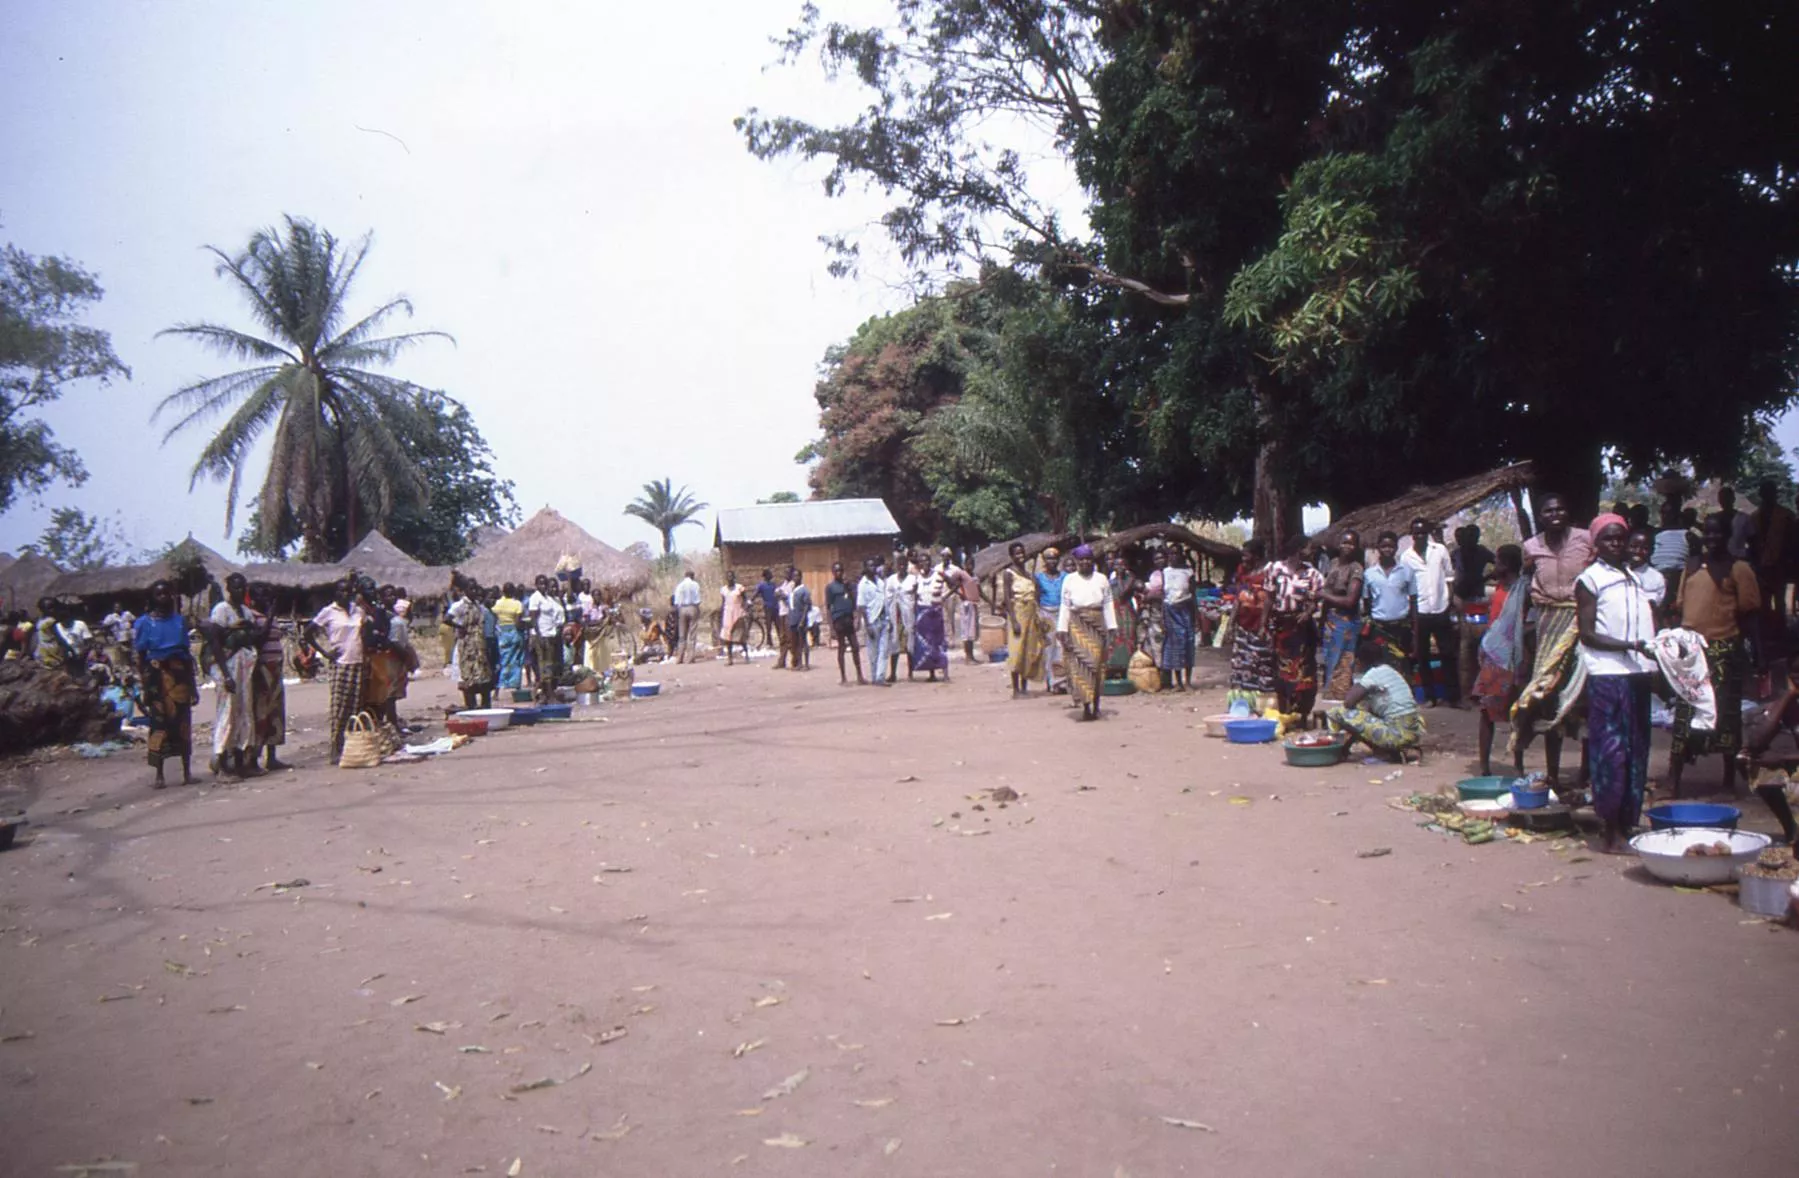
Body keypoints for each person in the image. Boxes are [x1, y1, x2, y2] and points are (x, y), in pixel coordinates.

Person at [1576, 516, 1659, 853]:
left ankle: (1628, 821)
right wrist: (1629, 646)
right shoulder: (1590, 579)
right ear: (1597, 543)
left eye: (1620, 539)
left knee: (1637, 749)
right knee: (1611, 753)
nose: (1616, 544)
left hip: (1637, 673)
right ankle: (1609, 830)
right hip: (1608, 674)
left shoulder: (1634, 579)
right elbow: (1588, 633)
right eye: (1608, 539)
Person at [1669, 513, 1761, 797]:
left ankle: (1728, 781)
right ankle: (1674, 780)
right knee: (1684, 714)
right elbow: (1681, 605)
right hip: (1690, 652)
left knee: (1725, 715)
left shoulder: (1739, 568)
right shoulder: (1693, 565)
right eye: (1707, 533)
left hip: (1723, 649)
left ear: (1727, 535)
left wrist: (1759, 655)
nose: (1712, 538)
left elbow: (1751, 614)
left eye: (1717, 533)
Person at [1512, 494, 1594, 785]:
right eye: (1549, 511)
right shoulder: (1532, 547)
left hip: (1581, 623)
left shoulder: (1586, 539)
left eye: (1560, 509)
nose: (1555, 514)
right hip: (1547, 627)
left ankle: (1586, 773)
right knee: (1547, 696)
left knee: (1583, 697)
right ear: (1541, 516)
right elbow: (1523, 587)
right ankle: (1553, 774)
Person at [132, 581, 196, 788]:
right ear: (152, 598)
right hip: (156, 677)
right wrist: (144, 685)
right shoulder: (143, 623)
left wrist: (193, 686)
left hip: (180, 677)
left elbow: (187, 656)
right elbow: (141, 657)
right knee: (159, 723)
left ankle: (187, 772)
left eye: (167, 593)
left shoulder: (180, 622)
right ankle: (159, 775)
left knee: (183, 723)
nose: (164, 598)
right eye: (159, 594)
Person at [306, 579, 370, 764]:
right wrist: (325, 653)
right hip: (341, 664)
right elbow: (308, 633)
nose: (345, 594)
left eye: (349, 591)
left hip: (358, 662)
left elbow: (363, 633)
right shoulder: (328, 612)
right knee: (339, 708)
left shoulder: (358, 611)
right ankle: (335, 747)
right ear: (336, 593)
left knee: (356, 707)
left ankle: (352, 747)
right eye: (342, 591)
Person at [206, 573, 263, 777]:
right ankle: (221, 762)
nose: (240, 591)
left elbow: (253, 637)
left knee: (244, 712)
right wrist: (226, 674)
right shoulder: (221, 610)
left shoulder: (246, 612)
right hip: (228, 667)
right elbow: (215, 641)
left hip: (245, 667)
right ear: (229, 589)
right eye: (236, 588)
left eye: (243, 588)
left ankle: (240, 760)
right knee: (227, 712)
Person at [1326, 646, 1426, 759]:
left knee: (1335, 713)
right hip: (1413, 732)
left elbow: (1348, 702)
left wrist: (1357, 677)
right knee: (1363, 711)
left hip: (1396, 734)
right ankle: (1400, 749)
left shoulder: (1373, 674)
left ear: (1359, 661)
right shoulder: (1391, 671)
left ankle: (1334, 752)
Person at [1056, 545, 1119, 721]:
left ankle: (1097, 705)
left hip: (1097, 624)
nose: (1085, 562)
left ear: (1093, 561)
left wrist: (1112, 627)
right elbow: (1065, 605)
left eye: (1088, 559)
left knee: (1097, 666)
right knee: (1082, 666)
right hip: (1077, 625)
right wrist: (1061, 630)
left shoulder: (1102, 579)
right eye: (1081, 559)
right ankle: (1086, 707)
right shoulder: (1069, 580)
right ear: (1076, 562)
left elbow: (1107, 603)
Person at [1402, 517, 1458, 705]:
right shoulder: (1406, 557)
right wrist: (1412, 614)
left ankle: (1453, 697)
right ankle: (1429, 696)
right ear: (1412, 535)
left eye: (1423, 533)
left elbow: (1449, 577)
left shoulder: (1440, 550)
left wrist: (1449, 601)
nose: (1419, 536)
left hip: (1441, 608)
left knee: (1448, 653)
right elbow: (1407, 586)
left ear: (1428, 534)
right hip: (1421, 612)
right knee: (1422, 655)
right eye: (1416, 533)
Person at [1267, 535, 1325, 718]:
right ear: (1299, 550)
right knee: (1281, 670)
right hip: (1281, 627)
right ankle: (1285, 711)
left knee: (1304, 671)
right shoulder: (1275, 569)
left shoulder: (1313, 574)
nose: (1312, 551)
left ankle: (1301, 713)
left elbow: (1317, 600)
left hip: (1302, 629)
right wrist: (1263, 625)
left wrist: (1308, 613)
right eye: (1309, 548)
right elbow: (1269, 598)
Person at [1359, 532, 1416, 682]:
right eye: (1384, 546)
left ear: (1396, 548)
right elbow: (1367, 602)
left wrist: (1414, 627)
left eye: (1391, 546)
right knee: (1380, 665)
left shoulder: (1406, 571)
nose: (1387, 549)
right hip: (1379, 628)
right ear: (1378, 547)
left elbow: (1413, 600)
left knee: (1402, 664)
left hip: (1401, 627)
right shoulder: (1369, 574)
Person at [1452, 524, 1497, 702]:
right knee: (1464, 650)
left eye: (1473, 536)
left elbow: (1499, 564)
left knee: (1482, 649)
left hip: (1478, 601)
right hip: (1461, 601)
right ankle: (1466, 693)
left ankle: (1483, 690)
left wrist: (1485, 578)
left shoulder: (1482, 552)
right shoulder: (1456, 554)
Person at [1318, 531, 1364, 701]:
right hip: (1330, 621)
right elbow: (1326, 592)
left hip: (1346, 623)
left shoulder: (1356, 568)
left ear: (1356, 547)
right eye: (1344, 543)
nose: (1347, 547)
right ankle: (1329, 701)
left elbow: (1350, 601)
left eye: (1351, 543)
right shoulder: (1333, 563)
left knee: (1342, 663)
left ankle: (1340, 702)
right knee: (1329, 660)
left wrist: (1323, 595)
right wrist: (1322, 621)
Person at [1228, 539, 1276, 698]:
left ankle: (1264, 700)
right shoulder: (1242, 572)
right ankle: (1245, 700)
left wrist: (1263, 625)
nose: (1243, 559)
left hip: (1261, 626)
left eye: (1246, 555)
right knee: (1242, 664)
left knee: (1261, 663)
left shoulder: (1268, 573)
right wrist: (1231, 623)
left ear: (1256, 556)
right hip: (1243, 625)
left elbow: (1270, 599)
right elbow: (1238, 598)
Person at [247, 581, 287, 771]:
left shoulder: (269, 616)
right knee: (261, 712)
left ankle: (272, 757)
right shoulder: (252, 617)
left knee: (275, 711)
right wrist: (270, 616)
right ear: (254, 599)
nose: (267, 601)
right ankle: (254, 758)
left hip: (275, 668)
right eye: (263, 597)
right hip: (261, 669)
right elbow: (259, 638)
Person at [999, 542, 1045, 696]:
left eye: (1022, 553)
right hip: (1017, 614)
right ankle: (1015, 689)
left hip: (1031, 615)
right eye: (1017, 553)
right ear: (1011, 556)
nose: (1020, 556)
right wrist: (1013, 620)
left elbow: (1036, 595)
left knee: (1028, 650)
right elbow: (1007, 597)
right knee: (1016, 651)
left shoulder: (1029, 575)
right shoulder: (1008, 573)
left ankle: (1024, 687)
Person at [1751, 479, 1794, 620]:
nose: (1768, 496)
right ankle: (1767, 632)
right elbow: (1752, 542)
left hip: (1780, 564)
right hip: (1761, 564)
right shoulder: (1754, 517)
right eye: (1765, 493)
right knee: (1764, 600)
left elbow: (1792, 541)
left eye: (1770, 493)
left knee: (1780, 600)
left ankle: (1780, 631)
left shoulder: (1786, 515)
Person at [1158, 548, 1198, 690]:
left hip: (1186, 610)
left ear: (1181, 555)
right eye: (1171, 554)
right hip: (1170, 611)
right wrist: (1162, 618)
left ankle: (1188, 681)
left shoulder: (1189, 572)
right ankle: (1178, 682)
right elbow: (1164, 595)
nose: (1173, 557)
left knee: (1188, 644)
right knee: (1175, 646)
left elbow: (1193, 595)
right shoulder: (1165, 572)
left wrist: (1196, 617)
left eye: (1176, 553)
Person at [913, 554, 952, 682]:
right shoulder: (917, 578)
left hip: (935, 612)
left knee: (939, 642)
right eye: (921, 561)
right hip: (922, 613)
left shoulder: (938, 574)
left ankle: (945, 673)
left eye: (927, 561)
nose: (924, 563)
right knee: (927, 645)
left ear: (930, 562)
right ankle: (932, 674)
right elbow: (915, 597)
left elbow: (954, 584)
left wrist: (943, 598)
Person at [824, 562, 865, 685]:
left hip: (849, 619)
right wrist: (831, 628)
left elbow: (854, 601)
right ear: (833, 573)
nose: (839, 573)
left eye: (841, 571)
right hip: (838, 620)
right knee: (841, 648)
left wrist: (856, 617)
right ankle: (843, 677)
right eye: (836, 571)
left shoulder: (848, 585)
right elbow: (828, 607)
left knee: (855, 647)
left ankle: (860, 675)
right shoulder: (830, 587)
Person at [1650, 500, 1693, 616]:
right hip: (1656, 577)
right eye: (1663, 513)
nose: (1666, 516)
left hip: (1678, 579)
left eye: (1669, 513)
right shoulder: (1655, 533)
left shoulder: (1687, 535)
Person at [527, 575, 566, 701]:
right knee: (544, 666)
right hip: (541, 635)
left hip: (550, 634)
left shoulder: (548, 598)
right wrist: (539, 635)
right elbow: (533, 618)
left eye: (545, 584)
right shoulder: (535, 598)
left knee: (550, 665)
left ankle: (545, 694)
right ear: (536, 585)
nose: (543, 586)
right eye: (541, 584)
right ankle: (548, 694)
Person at [1035, 548, 1067, 693]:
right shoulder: (1039, 578)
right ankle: (1050, 680)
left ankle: (1061, 681)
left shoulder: (1065, 577)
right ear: (1044, 561)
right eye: (1048, 558)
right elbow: (1036, 597)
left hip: (1062, 612)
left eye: (1054, 558)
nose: (1052, 561)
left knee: (1061, 647)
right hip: (1046, 613)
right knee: (1048, 648)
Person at [859, 560, 893, 686]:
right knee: (873, 652)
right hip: (872, 620)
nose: (873, 568)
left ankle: (880, 677)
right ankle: (874, 676)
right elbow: (861, 606)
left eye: (874, 565)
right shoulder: (863, 584)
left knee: (884, 650)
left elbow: (885, 601)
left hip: (884, 619)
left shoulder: (880, 582)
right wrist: (867, 625)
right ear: (866, 568)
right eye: (870, 566)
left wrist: (890, 619)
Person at [888, 555, 919, 681]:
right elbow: (887, 598)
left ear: (907, 566)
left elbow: (916, 597)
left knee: (909, 644)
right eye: (899, 564)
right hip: (895, 616)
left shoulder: (913, 579)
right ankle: (893, 674)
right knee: (894, 643)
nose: (901, 567)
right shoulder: (891, 580)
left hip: (909, 615)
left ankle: (910, 673)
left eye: (904, 565)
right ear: (896, 566)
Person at [493, 583, 527, 689]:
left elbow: (494, 615)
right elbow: (518, 622)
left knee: (504, 658)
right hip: (514, 632)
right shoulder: (517, 604)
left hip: (502, 632)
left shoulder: (497, 603)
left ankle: (502, 682)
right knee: (516, 658)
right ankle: (514, 683)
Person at [1713, 486, 1754, 562]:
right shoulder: (1714, 519)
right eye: (1722, 498)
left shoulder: (1743, 518)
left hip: (1738, 559)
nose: (1725, 501)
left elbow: (1752, 541)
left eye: (1727, 498)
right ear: (1719, 500)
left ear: (1733, 499)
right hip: (1718, 561)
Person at [784, 568, 813, 671]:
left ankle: (806, 664)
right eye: (794, 576)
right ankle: (798, 663)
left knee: (803, 642)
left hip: (801, 619)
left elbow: (807, 606)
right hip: (793, 619)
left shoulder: (804, 590)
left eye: (797, 576)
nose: (795, 578)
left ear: (801, 577)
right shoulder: (792, 590)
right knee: (795, 643)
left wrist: (802, 620)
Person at [719, 571, 750, 665]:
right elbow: (723, 602)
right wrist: (721, 613)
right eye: (728, 577)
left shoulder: (739, 588)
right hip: (727, 614)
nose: (730, 578)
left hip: (738, 613)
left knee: (740, 637)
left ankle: (746, 655)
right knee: (728, 637)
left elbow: (745, 600)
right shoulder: (724, 590)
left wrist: (746, 610)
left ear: (734, 578)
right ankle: (730, 658)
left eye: (731, 577)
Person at [673, 568, 702, 663]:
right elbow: (698, 600)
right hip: (692, 607)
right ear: (692, 576)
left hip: (682, 609)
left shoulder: (680, 585)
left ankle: (679, 657)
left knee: (682, 634)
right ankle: (690, 657)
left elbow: (676, 601)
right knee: (692, 634)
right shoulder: (695, 585)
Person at [754, 569, 781, 654]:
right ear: (766, 576)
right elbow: (756, 594)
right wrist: (750, 601)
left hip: (775, 607)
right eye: (770, 574)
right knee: (768, 626)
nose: (771, 575)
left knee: (778, 625)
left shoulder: (773, 585)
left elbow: (777, 594)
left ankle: (781, 641)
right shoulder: (761, 586)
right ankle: (769, 642)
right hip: (768, 608)